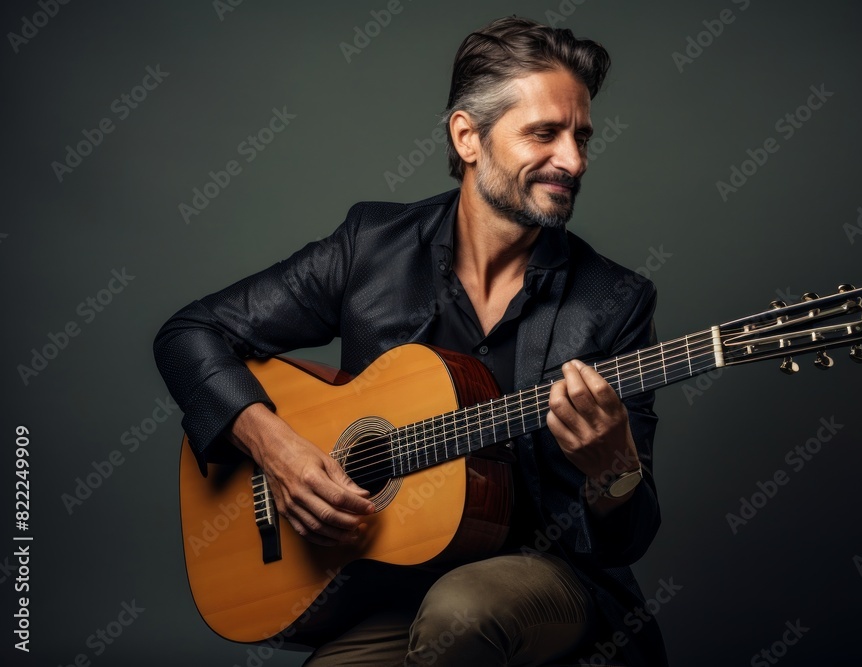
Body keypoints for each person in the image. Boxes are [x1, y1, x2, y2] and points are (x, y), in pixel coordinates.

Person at [154, 16, 667, 666]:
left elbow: (627, 537)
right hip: (389, 582)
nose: (574, 160)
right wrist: (275, 445)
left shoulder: (613, 300)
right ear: (468, 135)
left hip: (550, 576)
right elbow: (192, 334)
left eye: (582, 136)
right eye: (545, 133)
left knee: (462, 610)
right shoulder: (371, 246)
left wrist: (615, 467)